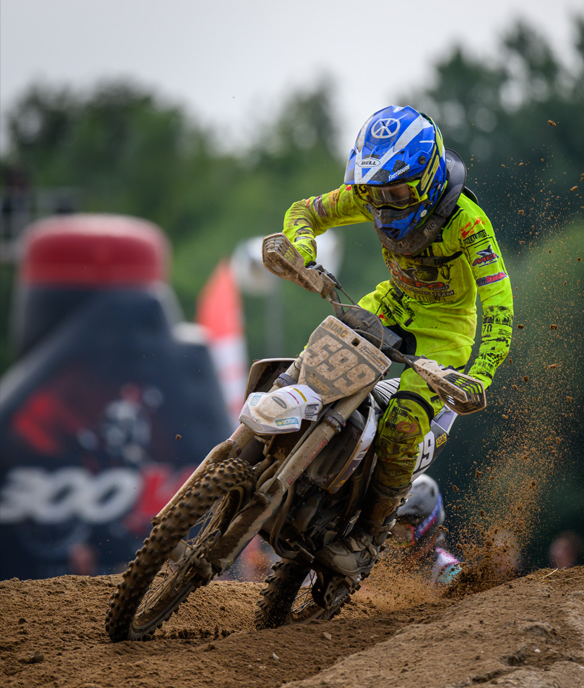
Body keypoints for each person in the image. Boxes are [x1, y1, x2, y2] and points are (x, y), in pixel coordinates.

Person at [281, 105, 513, 577]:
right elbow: (304, 211)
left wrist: (480, 373)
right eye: (376, 192)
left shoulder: (468, 221)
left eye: (398, 191)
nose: (384, 204)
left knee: (404, 424)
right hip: (391, 303)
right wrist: (303, 250)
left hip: (445, 330)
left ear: (428, 179)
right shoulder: (366, 195)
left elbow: (499, 302)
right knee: (317, 360)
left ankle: (368, 535)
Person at [388, 474, 461, 587]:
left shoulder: (450, 573)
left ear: (429, 533)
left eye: (401, 536)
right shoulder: (368, 560)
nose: (394, 548)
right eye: (387, 534)